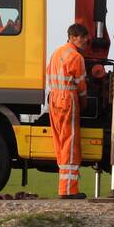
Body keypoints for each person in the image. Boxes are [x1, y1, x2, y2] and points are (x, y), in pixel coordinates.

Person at [48, 24, 90, 199]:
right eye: (83, 37)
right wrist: (84, 102)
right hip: (67, 98)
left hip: (54, 98)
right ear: (73, 37)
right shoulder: (76, 57)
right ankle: (68, 190)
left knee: (60, 142)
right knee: (70, 144)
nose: (86, 40)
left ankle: (64, 187)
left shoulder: (56, 53)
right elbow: (81, 86)